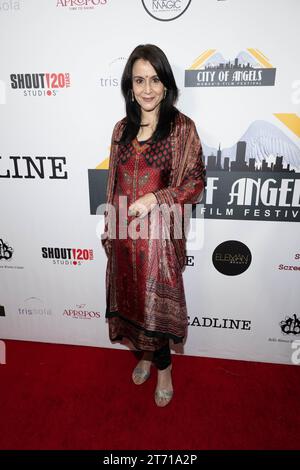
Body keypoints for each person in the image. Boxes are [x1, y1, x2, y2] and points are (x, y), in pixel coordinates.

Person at [101, 44, 206, 407]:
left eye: (155, 80)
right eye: (139, 80)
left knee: (156, 312)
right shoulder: (120, 130)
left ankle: (164, 368)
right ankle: (143, 355)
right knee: (131, 307)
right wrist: (109, 225)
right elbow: (113, 182)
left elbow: (196, 183)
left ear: (166, 85)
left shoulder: (181, 129)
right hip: (125, 237)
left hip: (160, 242)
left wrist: (156, 198)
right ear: (129, 86)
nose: (147, 89)